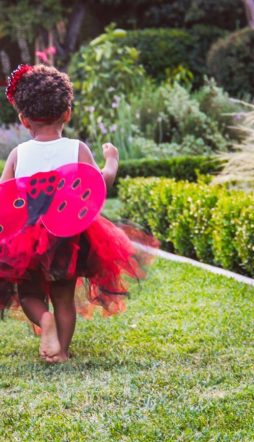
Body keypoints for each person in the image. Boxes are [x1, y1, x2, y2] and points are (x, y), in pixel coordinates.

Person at [0, 64, 149, 363]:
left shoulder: (19, 154)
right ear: (67, 113)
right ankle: (62, 352)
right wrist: (112, 161)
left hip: (26, 241)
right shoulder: (77, 148)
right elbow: (99, 183)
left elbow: (5, 194)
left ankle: (44, 321)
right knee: (63, 297)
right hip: (66, 236)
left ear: (23, 119)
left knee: (29, 294)